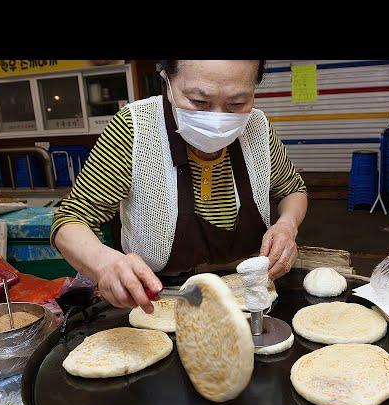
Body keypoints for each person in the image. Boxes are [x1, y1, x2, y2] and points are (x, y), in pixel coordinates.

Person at [51, 60, 308, 312]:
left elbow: (292, 189)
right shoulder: (135, 127)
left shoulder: (257, 127)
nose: (217, 119)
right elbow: (71, 220)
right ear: (167, 80)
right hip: (160, 300)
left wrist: (287, 224)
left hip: (249, 296)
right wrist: (104, 264)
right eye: (198, 101)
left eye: (237, 103)